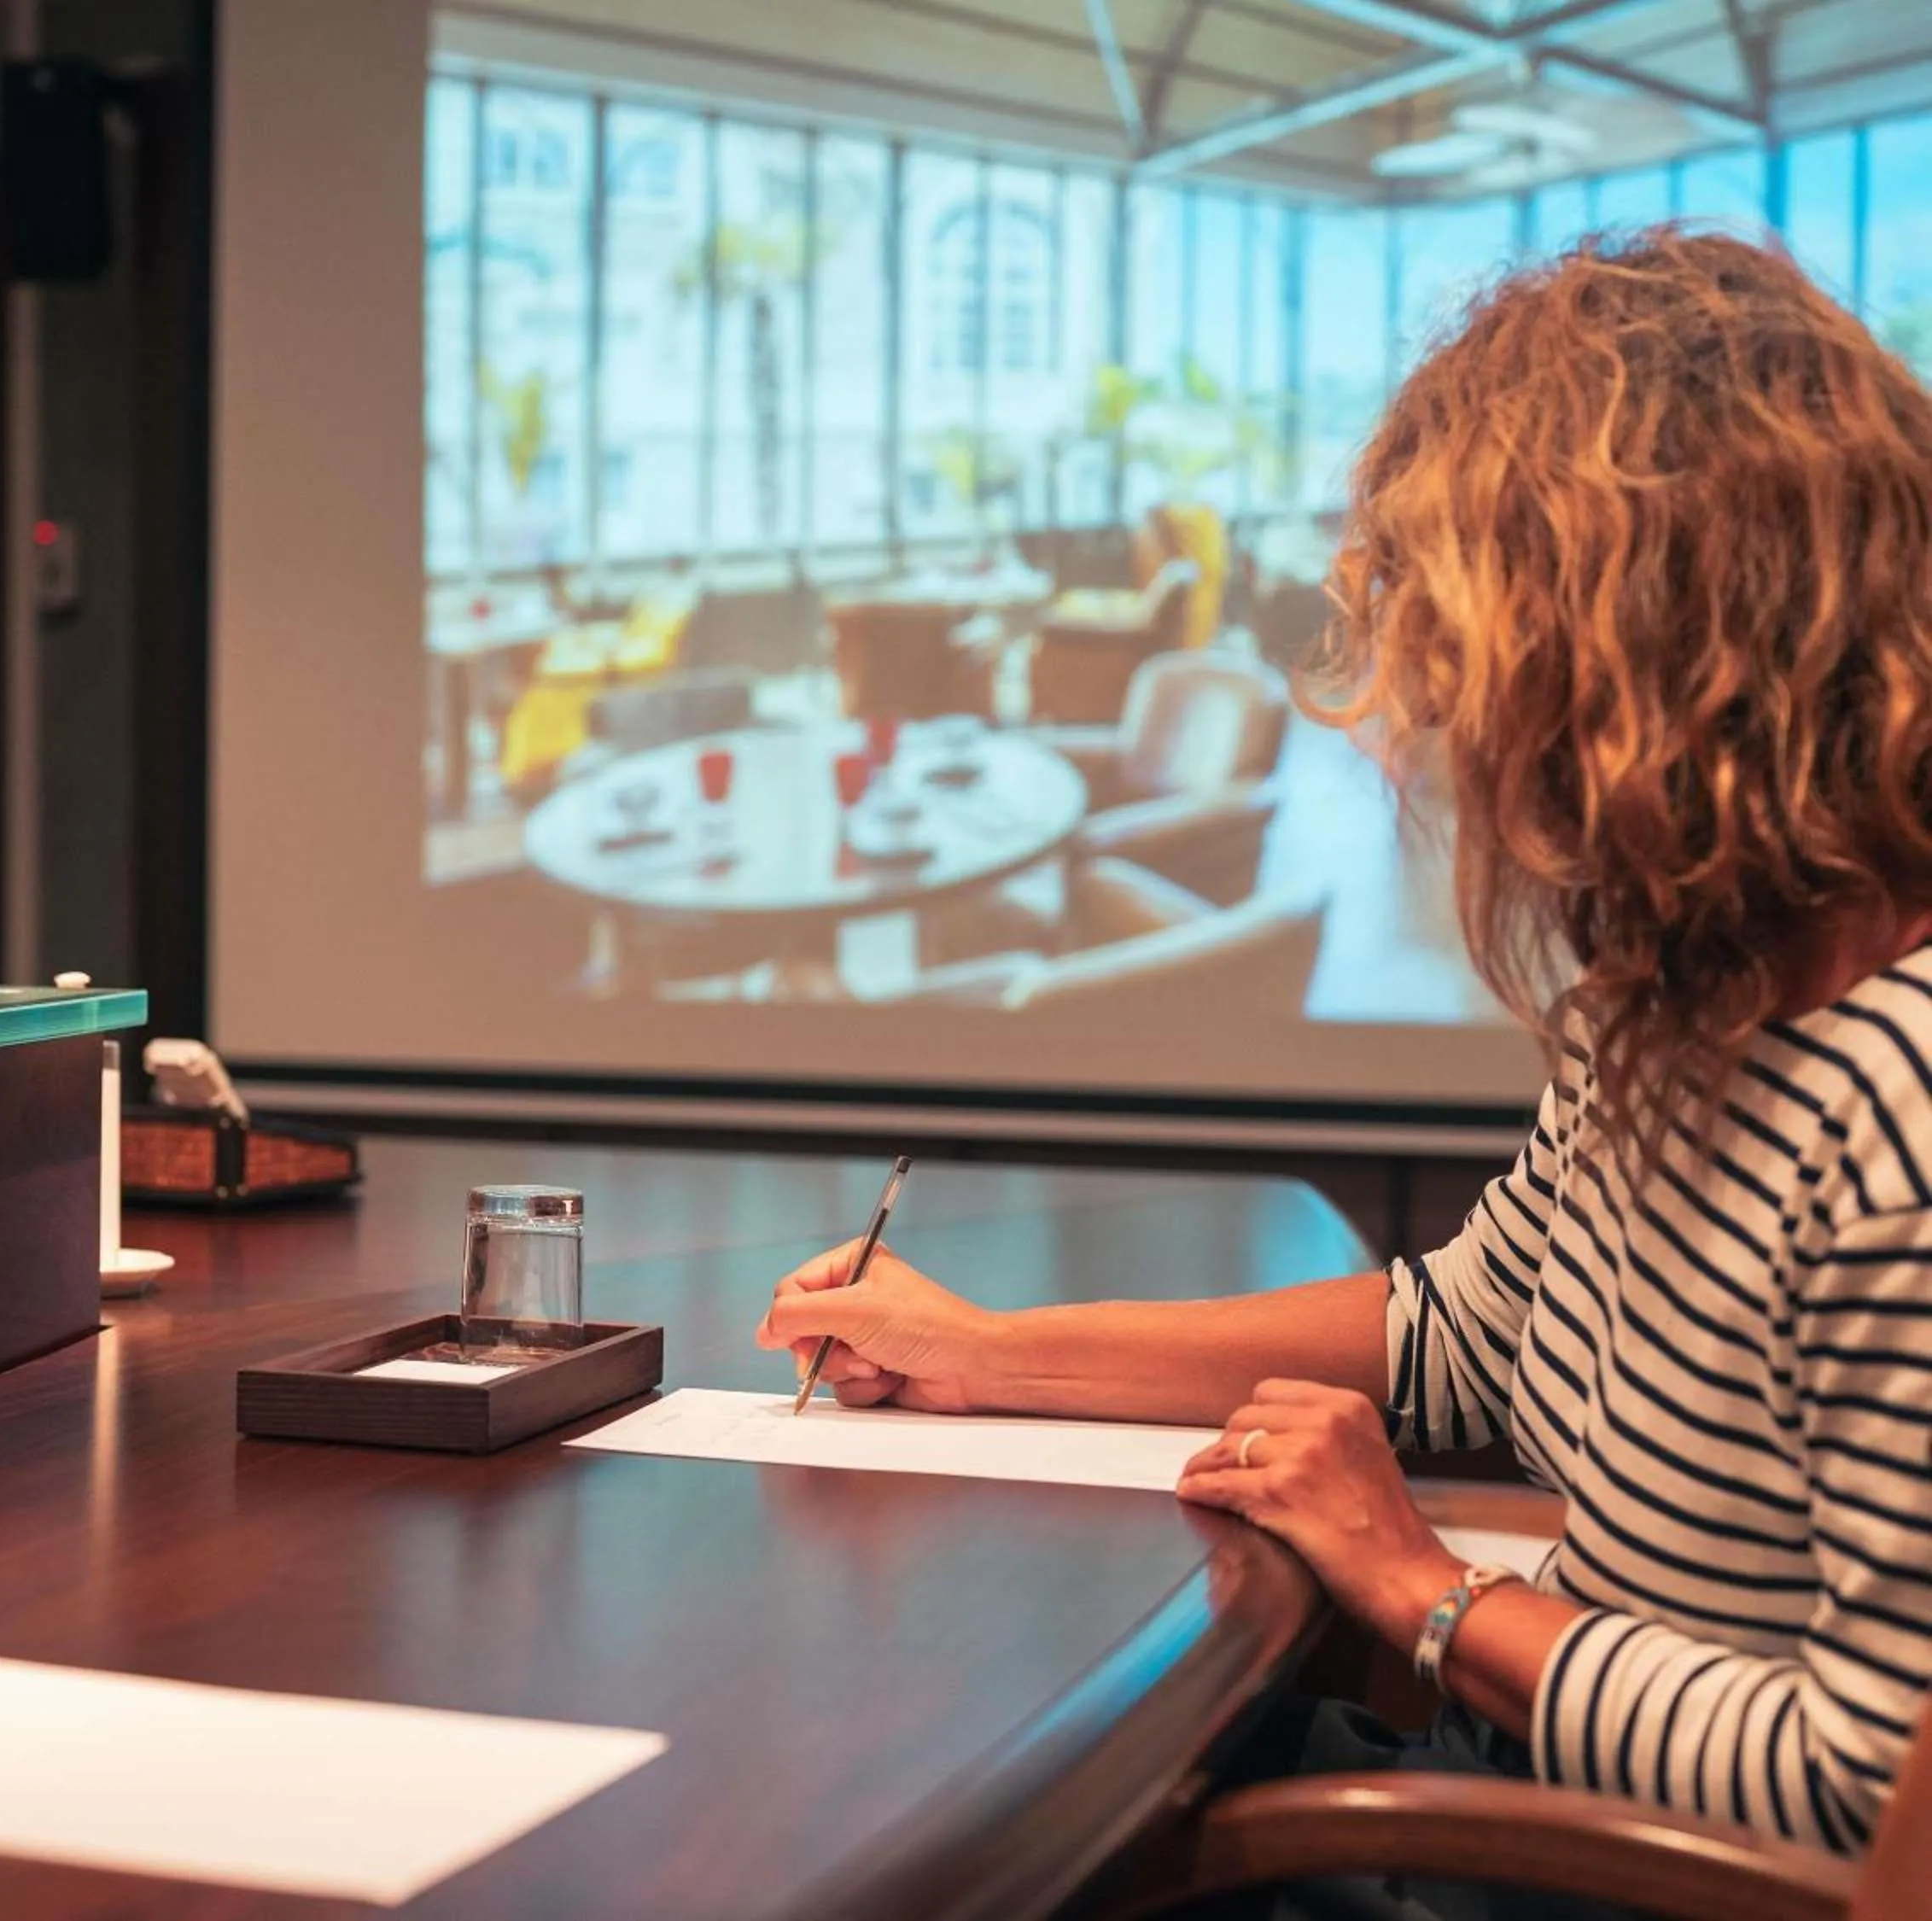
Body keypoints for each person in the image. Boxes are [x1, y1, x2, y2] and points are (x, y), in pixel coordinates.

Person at [757, 228, 1932, 1914]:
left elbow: (1865, 1796)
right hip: (1518, 1797)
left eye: (1464, 642)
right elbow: (1462, 1338)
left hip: (1593, 1874)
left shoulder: (1901, 1108)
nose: (1424, 717)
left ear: (1648, 650)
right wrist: (985, 1357)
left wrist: (1424, 1590)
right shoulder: (1669, 1005)